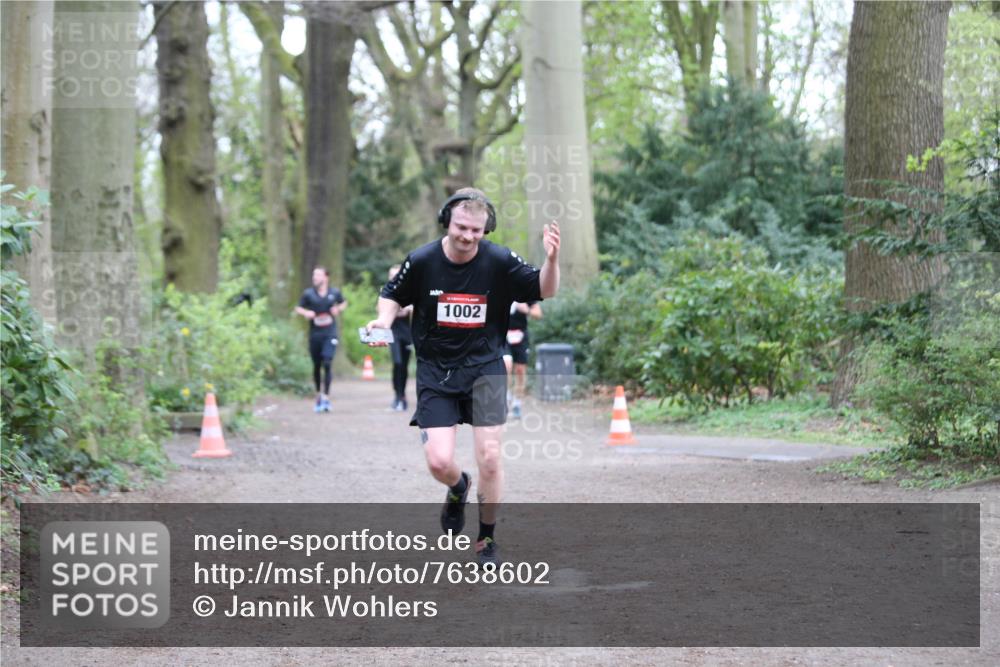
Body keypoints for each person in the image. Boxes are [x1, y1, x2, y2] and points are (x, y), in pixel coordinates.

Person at [365, 187, 560, 567]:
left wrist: (552, 259)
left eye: (476, 230)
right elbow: (392, 294)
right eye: (461, 227)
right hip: (436, 370)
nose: (468, 236)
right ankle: (458, 487)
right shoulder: (422, 260)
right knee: (439, 461)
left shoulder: (499, 260)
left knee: (489, 455)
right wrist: (383, 321)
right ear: (447, 221)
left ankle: (486, 540)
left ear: (486, 230)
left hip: (485, 367)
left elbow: (544, 289)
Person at [295, 267, 347, 413]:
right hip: (315, 334)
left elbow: (343, 303)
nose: (315, 277)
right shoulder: (308, 294)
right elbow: (298, 308)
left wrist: (338, 309)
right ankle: (318, 394)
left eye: (318, 275)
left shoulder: (334, 293)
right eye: (314, 275)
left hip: (330, 333)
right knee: (317, 365)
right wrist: (307, 312)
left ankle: (326, 397)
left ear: (326, 277)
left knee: (327, 361)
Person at [503, 300, 542, 419]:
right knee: (506, 365)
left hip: (520, 336)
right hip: (503, 336)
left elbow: (538, 314)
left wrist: (527, 310)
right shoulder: (499, 286)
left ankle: (517, 403)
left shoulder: (524, 290)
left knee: (520, 370)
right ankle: (506, 396)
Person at [387, 264, 414, 411]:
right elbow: (381, 309)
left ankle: (402, 395)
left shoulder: (410, 290)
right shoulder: (386, 292)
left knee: (404, 366)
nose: (394, 277)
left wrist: (408, 308)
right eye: (391, 275)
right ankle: (396, 395)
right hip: (392, 333)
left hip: (406, 334)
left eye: (396, 274)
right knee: (397, 363)